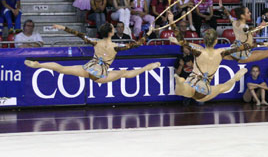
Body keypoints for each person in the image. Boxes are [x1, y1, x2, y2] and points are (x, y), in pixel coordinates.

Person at [25, 23, 159, 82]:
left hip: (88, 69)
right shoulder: (116, 46)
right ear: (111, 33)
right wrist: (148, 33)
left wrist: (62, 27)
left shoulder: (95, 41)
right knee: (125, 74)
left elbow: (79, 34)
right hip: (100, 75)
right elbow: (137, 44)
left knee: (62, 68)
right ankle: (146, 68)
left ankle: (39, 64)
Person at [168, 12, 250, 103]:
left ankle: (180, 83)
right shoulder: (221, 52)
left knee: (182, 90)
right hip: (205, 90)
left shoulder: (198, 51)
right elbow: (243, 47)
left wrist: (172, 22)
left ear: (203, 40)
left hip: (192, 84)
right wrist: (256, 44)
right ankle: (234, 79)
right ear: (216, 41)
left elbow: (183, 42)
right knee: (222, 88)